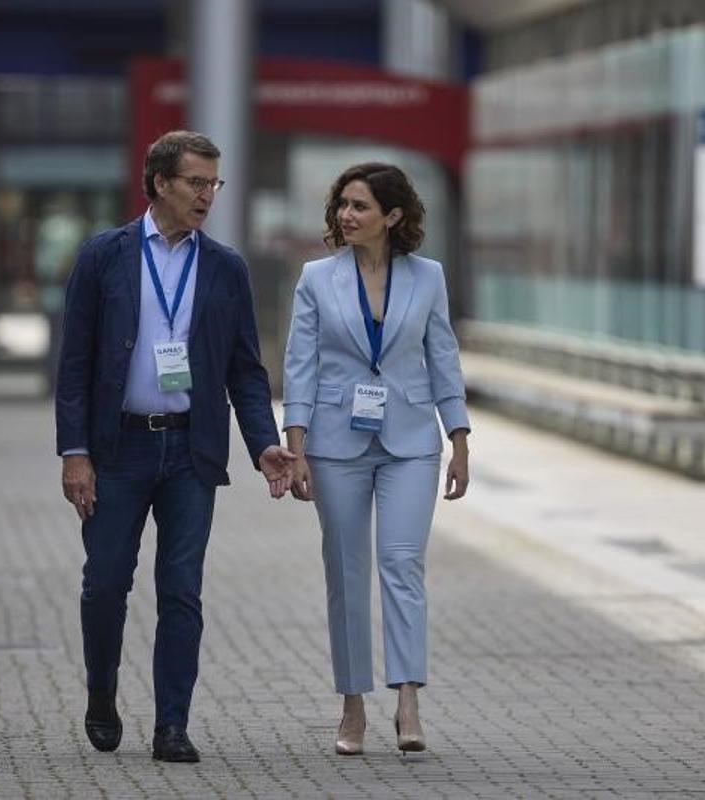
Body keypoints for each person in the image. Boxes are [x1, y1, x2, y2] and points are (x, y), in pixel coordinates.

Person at [56, 130, 295, 763]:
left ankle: (171, 725)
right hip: (118, 449)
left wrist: (262, 443)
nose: (207, 195)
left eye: (214, 184)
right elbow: (74, 363)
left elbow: (246, 369)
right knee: (106, 583)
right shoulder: (103, 256)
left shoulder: (225, 267)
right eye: (196, 182)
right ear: (160, 183)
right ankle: (102, 692)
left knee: (181, 589)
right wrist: (74, 452)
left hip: (191, 451)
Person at [282, 163, 470, 755]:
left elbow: (443, 356)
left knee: (401, 563)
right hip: (336, 443)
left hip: (412, 441)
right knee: (346, 573)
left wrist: (459, 436)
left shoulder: (428, 276)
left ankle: (408, 698)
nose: (346, 215)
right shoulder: (316, 278)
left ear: (392, 216)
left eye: (360, 206)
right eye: (342, 204)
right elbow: (299, 364)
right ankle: (353, 705)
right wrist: (296, 444)